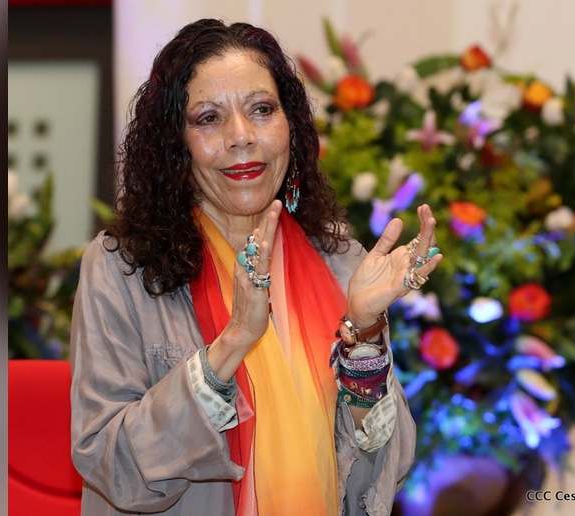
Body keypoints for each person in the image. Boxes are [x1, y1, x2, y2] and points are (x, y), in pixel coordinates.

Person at [69, 18, 443, 516]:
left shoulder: (340, 262)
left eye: (262, 110)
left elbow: (381, 476)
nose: (241, 137)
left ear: (292, 126)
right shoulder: (123, 268)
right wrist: (232, 344)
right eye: (208, 118)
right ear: (174, 143)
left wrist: (365, 334)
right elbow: (112, 466)